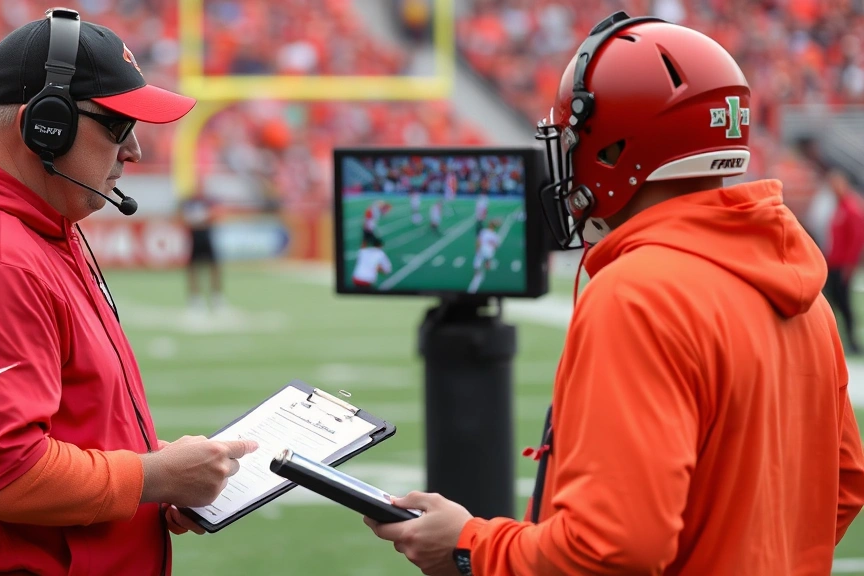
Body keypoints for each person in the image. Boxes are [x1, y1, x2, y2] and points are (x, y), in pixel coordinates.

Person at [365, 12, 864, 576]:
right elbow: (839, 487)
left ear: (614, 150)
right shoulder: (804, 294)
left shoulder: (639, 294)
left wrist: (469, 545)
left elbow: (612, 548)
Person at [0, 9, 258, 575]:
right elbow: (4, 474)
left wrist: (152, 472)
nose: (135, 150)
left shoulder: (14, 234)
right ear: (47, 125)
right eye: (117, 126)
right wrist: (154, 476)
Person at [823, 169, 864, 354]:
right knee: (831, 302)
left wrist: (850, 264)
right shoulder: (838, 207)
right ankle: (835, 340)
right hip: (833, 264)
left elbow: (856, 239)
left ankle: (852, 342)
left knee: (844, 303)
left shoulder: (851, 208)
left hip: (842, 265)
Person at [180, 188, 225, 310]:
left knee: (214, 267)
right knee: (193, 269)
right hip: (195, 237)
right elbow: (184, 218)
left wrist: (202, 220)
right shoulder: (188, 202)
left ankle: (217, 298)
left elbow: (215, 215)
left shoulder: (208, 201)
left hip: (207, 236)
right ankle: (195, 299)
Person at [467, 219, 500, 294]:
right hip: (488, 252)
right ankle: (486, 265)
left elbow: (478, 241)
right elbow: (496, 246)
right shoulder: (495, 235)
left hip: (482, 251)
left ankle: (477, 274)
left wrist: (477, 249)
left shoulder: (484, 231)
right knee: (487, 262)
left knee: (476, 264)